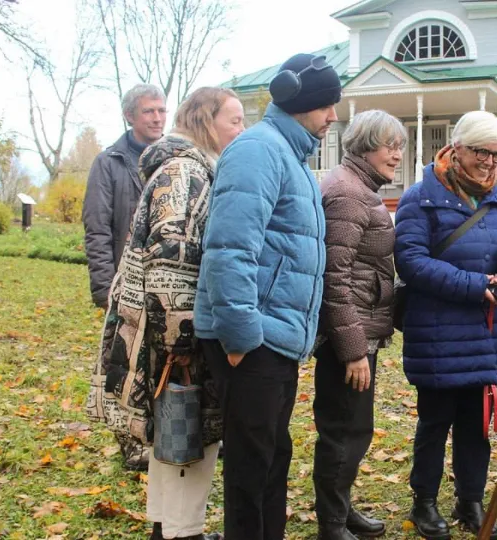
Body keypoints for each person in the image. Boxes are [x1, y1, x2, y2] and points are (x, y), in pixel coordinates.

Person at [85, 86, 245, 540]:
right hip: (173, 338)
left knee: (173, 436)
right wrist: (182, 342)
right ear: (204, 121)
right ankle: (182, 532)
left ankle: (168, 529)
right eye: (234, 120)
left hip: (164, 333)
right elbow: (170, 264)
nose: (241, 130)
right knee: (186, 436)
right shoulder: (184, 173)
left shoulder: (183, 168)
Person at [194, 53, 340, 540]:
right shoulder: (259, 150)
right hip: (252, 340)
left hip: (275, 338)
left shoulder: (289, 155)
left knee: (273, 456)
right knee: (252, 468)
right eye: (327, 105)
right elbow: (229, 251)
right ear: (302, 102)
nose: (333, 116)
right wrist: (241, 336)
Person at [395, 110, 497, 540]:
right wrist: (476, 286)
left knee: (476, 423)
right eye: (481, 153)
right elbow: (411, 263)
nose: (490, 163)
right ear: (457, 147)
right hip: (438, 331)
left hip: (485, 331)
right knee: (435, 421)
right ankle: (424, 503)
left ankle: (471, 499)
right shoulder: (421, 196)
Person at [313, 109, 406, 540]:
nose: (398, 156)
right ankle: (331, 524)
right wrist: (352, 349)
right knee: (343, 431)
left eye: (401, 146)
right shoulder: (349, 193)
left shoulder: (358, 187)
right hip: (348, 338)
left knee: (355, 429)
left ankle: (342, 509)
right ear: (367, 144)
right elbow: (335, 277)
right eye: (392, 146)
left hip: (360, 330)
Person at [83, 83, 167, 471]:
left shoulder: (168, 160)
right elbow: (97, 227)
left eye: (161, 110)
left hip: (161, 284)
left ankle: (155, 432)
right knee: (122, 363)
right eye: (149, 111)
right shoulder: (110, 162)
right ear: (130, 116)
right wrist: (103, 286)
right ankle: (130, 443)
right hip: (122, 284)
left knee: (156, 361)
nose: (157, 118)